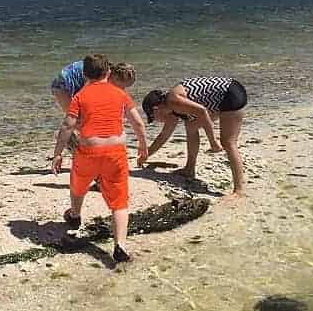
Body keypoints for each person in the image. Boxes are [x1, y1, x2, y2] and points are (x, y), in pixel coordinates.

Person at [52, 54, 148, 263]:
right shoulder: (120, 94)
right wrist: (142, 145)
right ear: (108, 72)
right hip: (115, 153)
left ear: (85, 74)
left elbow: (67, 126)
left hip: (89, 151)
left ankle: (75, 214)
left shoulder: (80, 97)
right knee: (119, 202)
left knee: (78, 185)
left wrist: (58, 154)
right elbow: (137, 123)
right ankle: (120, 245)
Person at [140, 77, 247, 197]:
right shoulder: (172, 110)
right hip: (221, 98)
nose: (156, 121)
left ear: (156, 109)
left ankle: (239, 190)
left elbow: (202, 112)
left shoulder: (173, 101)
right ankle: (189, 169)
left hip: (230, 93)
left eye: (153, 118)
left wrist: (213, 142)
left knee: (228, 142)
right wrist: (146, 155)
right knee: (191, 126)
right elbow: (163, 136)